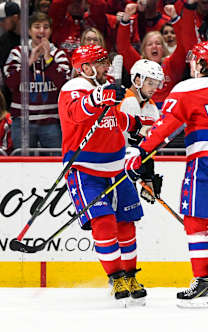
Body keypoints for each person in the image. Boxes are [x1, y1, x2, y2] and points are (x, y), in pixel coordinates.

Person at [124, 40, 208, 308]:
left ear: (200, 63)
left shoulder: (187, 89)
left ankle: (203, 284)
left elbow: (164, 128)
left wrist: (140, 152)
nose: (190, 64)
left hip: (205, 164)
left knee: (195, 222)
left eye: (193, 60)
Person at [57, 44, 160, 305]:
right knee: (103, 222)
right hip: (85, 169)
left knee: (126, 223)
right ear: (86, 67)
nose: (107, 66)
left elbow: (114, 119)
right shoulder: (74, 88)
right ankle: (115, 277)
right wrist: (97, 98)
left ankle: (130, 274)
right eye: (101, 62)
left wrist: (135, 125)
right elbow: (76, 113)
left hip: (116, 167)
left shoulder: (109, 89)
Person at [4, 12, 71, 154]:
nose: (42, 31)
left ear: (51, 31)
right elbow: (10, 83)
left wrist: (48, 60)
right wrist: (28, 62)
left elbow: (64, 85)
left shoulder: (58, 54)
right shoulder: (18, 53)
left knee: (56, 163)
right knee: (20, 164)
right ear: (29, 31)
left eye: (46, 27)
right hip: (22, 121)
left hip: (51, 121)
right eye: (37, 26)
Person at [120, 59, 164, 204]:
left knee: (130, 217)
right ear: (137, 79)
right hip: (114, 164)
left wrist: (148, 178)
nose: (154, 88)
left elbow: (147, 146)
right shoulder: (126, 100)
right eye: (150, 83)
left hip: (128, 165)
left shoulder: (151, 107)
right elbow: (134, 143)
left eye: (156, 84)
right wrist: (146, 176)